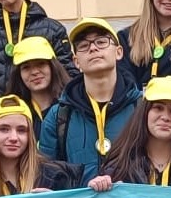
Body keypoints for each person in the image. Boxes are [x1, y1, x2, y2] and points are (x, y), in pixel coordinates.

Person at [38, 18, 143, 178]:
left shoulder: (142, 108)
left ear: (119, 52)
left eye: (101, 42)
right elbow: (47, 176)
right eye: (83, 46)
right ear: (76, 62)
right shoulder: (58, 116)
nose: (93, 48)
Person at [4, 36, 69, 124]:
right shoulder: (13, 113)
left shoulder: (72, 105)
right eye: (26, 67)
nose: (34, 72)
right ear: (18, 74)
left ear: (53, 66)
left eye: (41, 64)